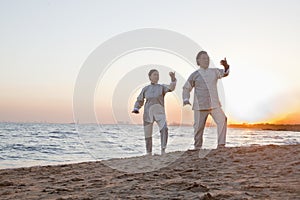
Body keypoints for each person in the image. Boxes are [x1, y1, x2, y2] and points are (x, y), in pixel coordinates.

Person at [182, 51, 230, 149]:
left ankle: (221, 145)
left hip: (214, 105)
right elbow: (186, 88)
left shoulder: (214, 71)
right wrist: (186, 99)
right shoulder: (194, 75)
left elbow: (225, 73)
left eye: (207, 58)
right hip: (200, 106)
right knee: (198, 128)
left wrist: (226, 66)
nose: (206, 60)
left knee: (223, 120)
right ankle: (197, 147)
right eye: (203, 58)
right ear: (198, 61)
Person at [132, 69, 177, 155]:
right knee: (148, 134)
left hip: (160, 113)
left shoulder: (162, 87)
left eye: (158, 75)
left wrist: (173, 79)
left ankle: (163, 150)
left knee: (164, 129)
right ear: (150, 77)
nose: (157, 76)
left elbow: (171, 87)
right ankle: (149, 152)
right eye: (155, 75)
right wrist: (136, 108)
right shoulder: (145, 89)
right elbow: (140, 100)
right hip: (148, 114)